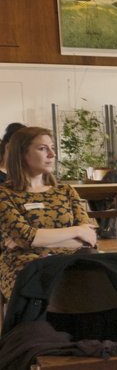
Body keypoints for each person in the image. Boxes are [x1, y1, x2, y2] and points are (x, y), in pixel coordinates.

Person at [0, 126, 95, 298]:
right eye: (43, 148)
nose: (52, 154)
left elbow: (89, 239)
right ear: (21, 154)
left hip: (70, 261)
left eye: (52, 148)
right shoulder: (5, 194)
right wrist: (76, 231)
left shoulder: (65, 191)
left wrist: (36, 241)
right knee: (52, 286)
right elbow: (25, 237)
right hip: (25, 266)